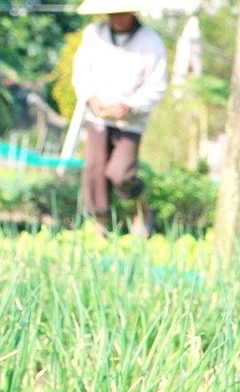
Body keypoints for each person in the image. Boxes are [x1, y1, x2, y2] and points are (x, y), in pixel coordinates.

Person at [71, 0, 167, 236]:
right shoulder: (94, 34)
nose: (117, 17)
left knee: (121, 173)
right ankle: (101, 226)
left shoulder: (151, 42)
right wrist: (90, 98)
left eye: (121, 12)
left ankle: (142, 210)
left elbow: (157, 86)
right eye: (112, 12)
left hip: (130, 122)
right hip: (98, 117)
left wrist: (130, 106)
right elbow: (81, 72)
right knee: (94, 170)